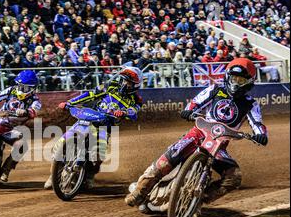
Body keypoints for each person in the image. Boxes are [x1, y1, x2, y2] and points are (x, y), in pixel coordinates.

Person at [125, 58, 269, 208]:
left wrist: (261, 135)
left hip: (219, 145)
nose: (236, 83)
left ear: (249, 82)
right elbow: (195, 102)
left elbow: (257, 123)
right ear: (227, 76)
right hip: (197, 134)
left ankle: (197, 201)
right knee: (166, 161)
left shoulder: (251, 104)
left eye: (241, 80)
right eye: (234, 78)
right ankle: (139, 192)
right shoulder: (215, 89)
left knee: (234, 177)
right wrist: (188, 111)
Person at [44, 67, 143, 190]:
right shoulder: (110, 86)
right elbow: (90, 94)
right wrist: (70, 102)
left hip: (105, 126)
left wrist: (123, 113)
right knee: (62, 142)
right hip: (90, 116)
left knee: (98, 154)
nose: (124, 83)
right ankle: (53, 175)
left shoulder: (136, 100)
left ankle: (89, 175)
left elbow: (134, 112)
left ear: (135, 85)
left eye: (128, 82)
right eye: (123, 80)